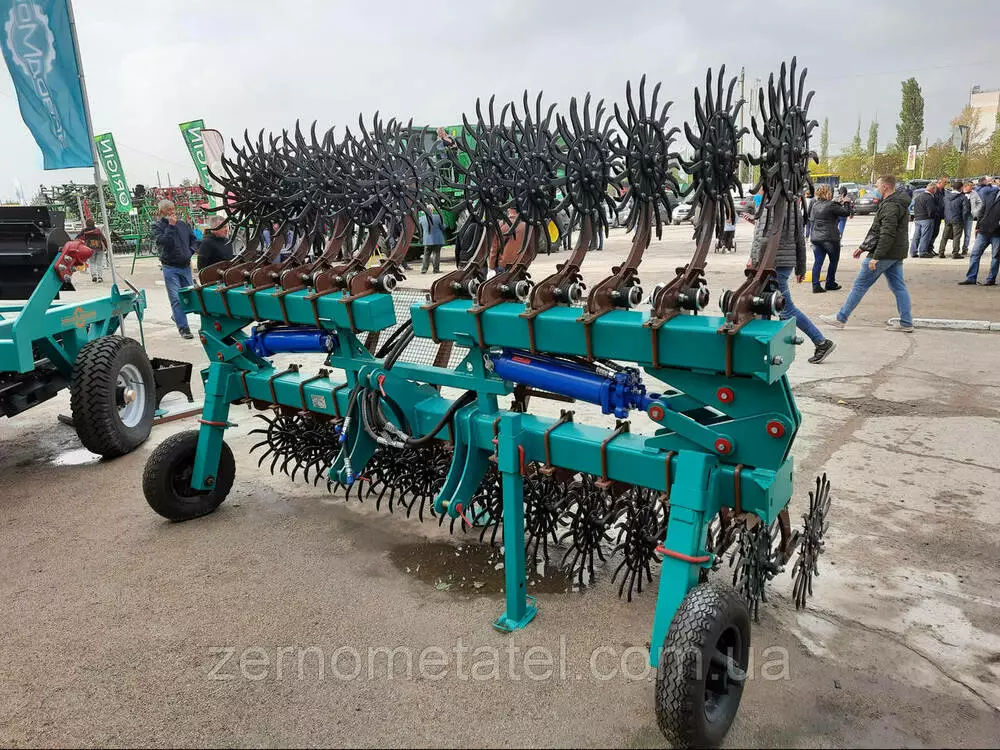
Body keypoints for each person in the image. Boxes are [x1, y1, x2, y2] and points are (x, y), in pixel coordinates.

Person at [821, 175, 913, 332]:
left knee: (860, 284)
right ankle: (906, 322)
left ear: (885, 187)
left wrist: (876, 257)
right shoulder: (896, 202)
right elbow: (878, 230)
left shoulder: (891, 206)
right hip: (895, 253)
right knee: (898, 286)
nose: (875, 189)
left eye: (877, 186)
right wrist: (863, 247)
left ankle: (841, 318)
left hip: (885, 253)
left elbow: (887, 233)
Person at [749, 201, 835, 364]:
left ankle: (821, 342)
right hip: (780, 263)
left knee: (785, 309)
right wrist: (800, 267)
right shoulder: (791, 205)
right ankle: (760, 349)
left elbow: (762, 238)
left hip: (772, 263)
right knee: (765, 305)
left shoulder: (771, 205)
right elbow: (799, 238)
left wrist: (755, 261)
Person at [152, 199, 197, 340]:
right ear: (161, 212)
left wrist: (190, 251)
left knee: (190, 297)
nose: (172, 213)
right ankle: (184, 328)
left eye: (172, 209)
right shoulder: (157, 226)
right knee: (176, 298)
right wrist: (170, 227)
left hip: (185, 266)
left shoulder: (183, 224)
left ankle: (176, 315)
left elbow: (193, 239)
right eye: (168, 210)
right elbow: (162, 242)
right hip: (170, 267)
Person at [808, 184, 851, 293]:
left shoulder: (815, 205)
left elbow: (811, 219)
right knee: (833, 261)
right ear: (829, 193)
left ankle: (815, 285)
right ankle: (830, 283)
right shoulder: (831, 205)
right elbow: (846, 213)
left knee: (818, 262)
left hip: (816, 237)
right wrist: (846, 202)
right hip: (830, 238)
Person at [958, 186, 1000, 286]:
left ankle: (991, 279)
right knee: (975, 254)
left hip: (997, 232)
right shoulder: (991, 194)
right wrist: (978, 226)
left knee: (995, 257)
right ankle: (971, 278)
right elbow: (982, 211)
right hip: (984, 229)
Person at [938, 180, 970, 259]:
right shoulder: (963, 198)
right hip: (958, 219)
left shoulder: (946, 197)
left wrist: (945, 217)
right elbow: (966, 211)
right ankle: (955, 253)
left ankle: (941, 252)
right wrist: (963, 220)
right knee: (957, 237)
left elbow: (942, 208)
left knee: (944, 236)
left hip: (948, 219)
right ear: (961, 188)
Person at [909, 183, 937, 258]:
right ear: (933, 189)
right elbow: (931, 210)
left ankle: (913, 251)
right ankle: (923, 252)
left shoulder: (918, 197)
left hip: (918, 218)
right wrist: (933, 217)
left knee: (916, 236)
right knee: (925, 236)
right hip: (926, 219)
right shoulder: (929, 198)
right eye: (935, 189)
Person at [419, 204, 445, 274]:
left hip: (427, 240)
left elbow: (420, 230)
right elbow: (443, 227)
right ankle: (436, 270)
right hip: (437, 240)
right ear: (432, 210)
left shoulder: (421, 219)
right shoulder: (438, 217)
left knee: (426, 255)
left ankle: (424, 269)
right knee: (436, 254)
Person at [928, 175, 949, 251]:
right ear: (939, 182)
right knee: (931, 233)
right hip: (934, 215)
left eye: (946, 182)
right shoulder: (934, 190)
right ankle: (928, 248)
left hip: (940, 215)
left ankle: (931, 248)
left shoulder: (943, 191)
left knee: (936, 232)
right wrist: (936, 212)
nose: (946, 184)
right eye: (945, 182)